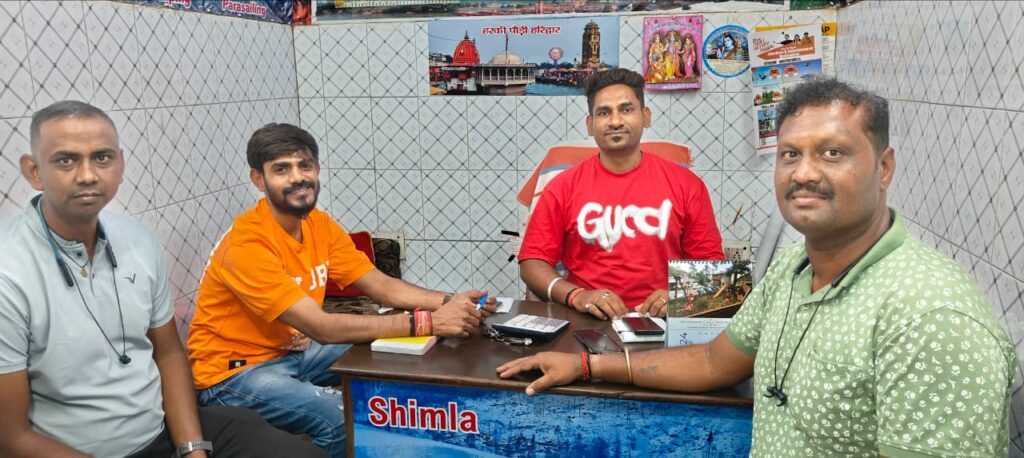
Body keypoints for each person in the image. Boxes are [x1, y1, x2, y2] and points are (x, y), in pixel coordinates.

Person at [499, 78, 1018, 457]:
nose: (804, 173)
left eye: (832, 153)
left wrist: (679, 295)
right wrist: (586, 362)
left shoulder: (933, 318)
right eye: (790, 155)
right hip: (594, 334)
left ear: (884, 168)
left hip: (669, 324)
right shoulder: (794, 266)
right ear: (590, 124)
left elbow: (711, 277)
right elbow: (712, 362)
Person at [0, 101, 326, 458]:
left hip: (161, 430)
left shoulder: (137, 240)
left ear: (121, 165)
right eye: (66, 161)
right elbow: (11, 437)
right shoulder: (9, 271)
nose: (88, 175)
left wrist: (192, 450)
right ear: (33, 171)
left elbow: (169, 353)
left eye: (102, 158)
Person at [188, 123, 495, 457]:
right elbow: (322, 327)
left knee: (399, 351)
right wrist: (428, 321)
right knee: (339, 418)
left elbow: (381, 286)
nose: (297, 177)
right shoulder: (246, 245)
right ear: (258, 180)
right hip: (234, 374)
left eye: (304, 165)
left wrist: (452, 301)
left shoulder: (318, 223)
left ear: (317, 169)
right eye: (281, 169)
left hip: (294, 351)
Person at [518, 68, 724, 321]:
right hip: (585, 323)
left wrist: (680, 296)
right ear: (590, 124)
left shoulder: (687, 185)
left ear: (645, 117)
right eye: (604, 113)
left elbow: (713, 267)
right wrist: (576, 296)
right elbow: (532, 262)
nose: (615, 121)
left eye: (626, 109)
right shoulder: (562, 186)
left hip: (663, 323)